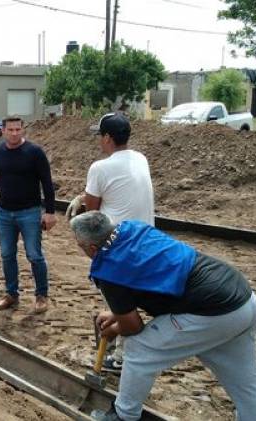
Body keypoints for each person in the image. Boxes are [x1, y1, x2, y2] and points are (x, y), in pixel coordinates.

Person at [70, 211, 256, 421]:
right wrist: (118, 314)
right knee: (245, 384)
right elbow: (150, 275)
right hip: (243, 299)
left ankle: (124, 416)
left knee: (140, 347)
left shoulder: (107, 269)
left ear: (91, 248)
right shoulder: (133, 229)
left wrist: (116, 327)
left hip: (213, 311)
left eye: (79, 245)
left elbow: (133, 327)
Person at [65, 112, 155, 372]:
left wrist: (82, 201)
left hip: (118, 244)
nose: (99, 141)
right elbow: (117, 188)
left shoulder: (99, 167)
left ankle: (120, 359)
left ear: (107, 138)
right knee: (129, 300)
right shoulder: (140, 158)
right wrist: (83, 195)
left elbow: (94, 212)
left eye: (100, 136)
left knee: (119, 302)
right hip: (145, 239)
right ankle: (122, 351)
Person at [0, 115, 56, 314]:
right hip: (5, 214)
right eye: (10, 130)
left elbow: (47, 183)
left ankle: (41, 295)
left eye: (18, 129)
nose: (14, 133)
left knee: (34, 255)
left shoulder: (34, 153)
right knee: (7, 254)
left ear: (23, 130)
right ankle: (11, 294)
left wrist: (49, 212)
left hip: (30, 213)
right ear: (3, 131)